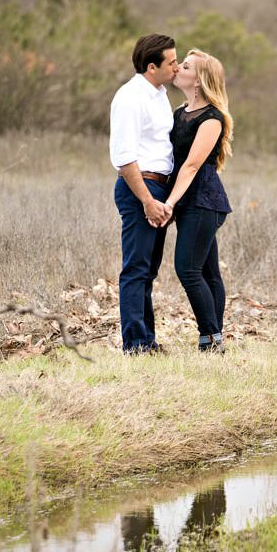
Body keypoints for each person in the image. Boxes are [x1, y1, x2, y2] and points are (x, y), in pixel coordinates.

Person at [160, 49, 234, 352]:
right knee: (207, 272)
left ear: (199, 80)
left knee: (188, 269)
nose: (177, 68)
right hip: (189, 200)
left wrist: (169, 203)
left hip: (204, 201)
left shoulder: (212, 119)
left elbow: (191, 165)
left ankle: (210, 338)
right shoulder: (179, 113)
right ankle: (215, 341)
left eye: (185, 66)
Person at [110, 33, 179, 354]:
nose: (177, 67)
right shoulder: (130, 97)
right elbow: (124, 158)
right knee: (135, 268)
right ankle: (135, 344)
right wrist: (148, 201)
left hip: (160, 188)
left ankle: (147, 340)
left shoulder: (159, 94)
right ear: (152, 66)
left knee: (148, 270)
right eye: (173, 62)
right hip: (141, 188)